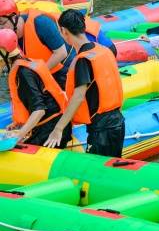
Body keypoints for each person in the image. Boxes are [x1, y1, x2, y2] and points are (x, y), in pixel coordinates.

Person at [45, 10, 125, 157]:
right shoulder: (102, 50)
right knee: (110, 170)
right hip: (117, 122)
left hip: (101, 130)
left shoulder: (83, 59)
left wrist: (58, 128)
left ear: (63, 31)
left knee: (97, 173)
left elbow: (78, 96)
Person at [0, 29, 71, 147]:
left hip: (50, 129)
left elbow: (39, 110)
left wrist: (18, 136)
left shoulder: (23, 73)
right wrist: (19, 123)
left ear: (4, 52)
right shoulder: (25, 62)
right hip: (51, 122)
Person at [0, 0, 71, 87]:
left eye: (1, 23)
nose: (0, 28)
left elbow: (62, 53)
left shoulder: (41, 23)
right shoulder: (6, 36)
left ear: (14, 17)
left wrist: (37, 75)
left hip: (64, 69)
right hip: (39, 72)